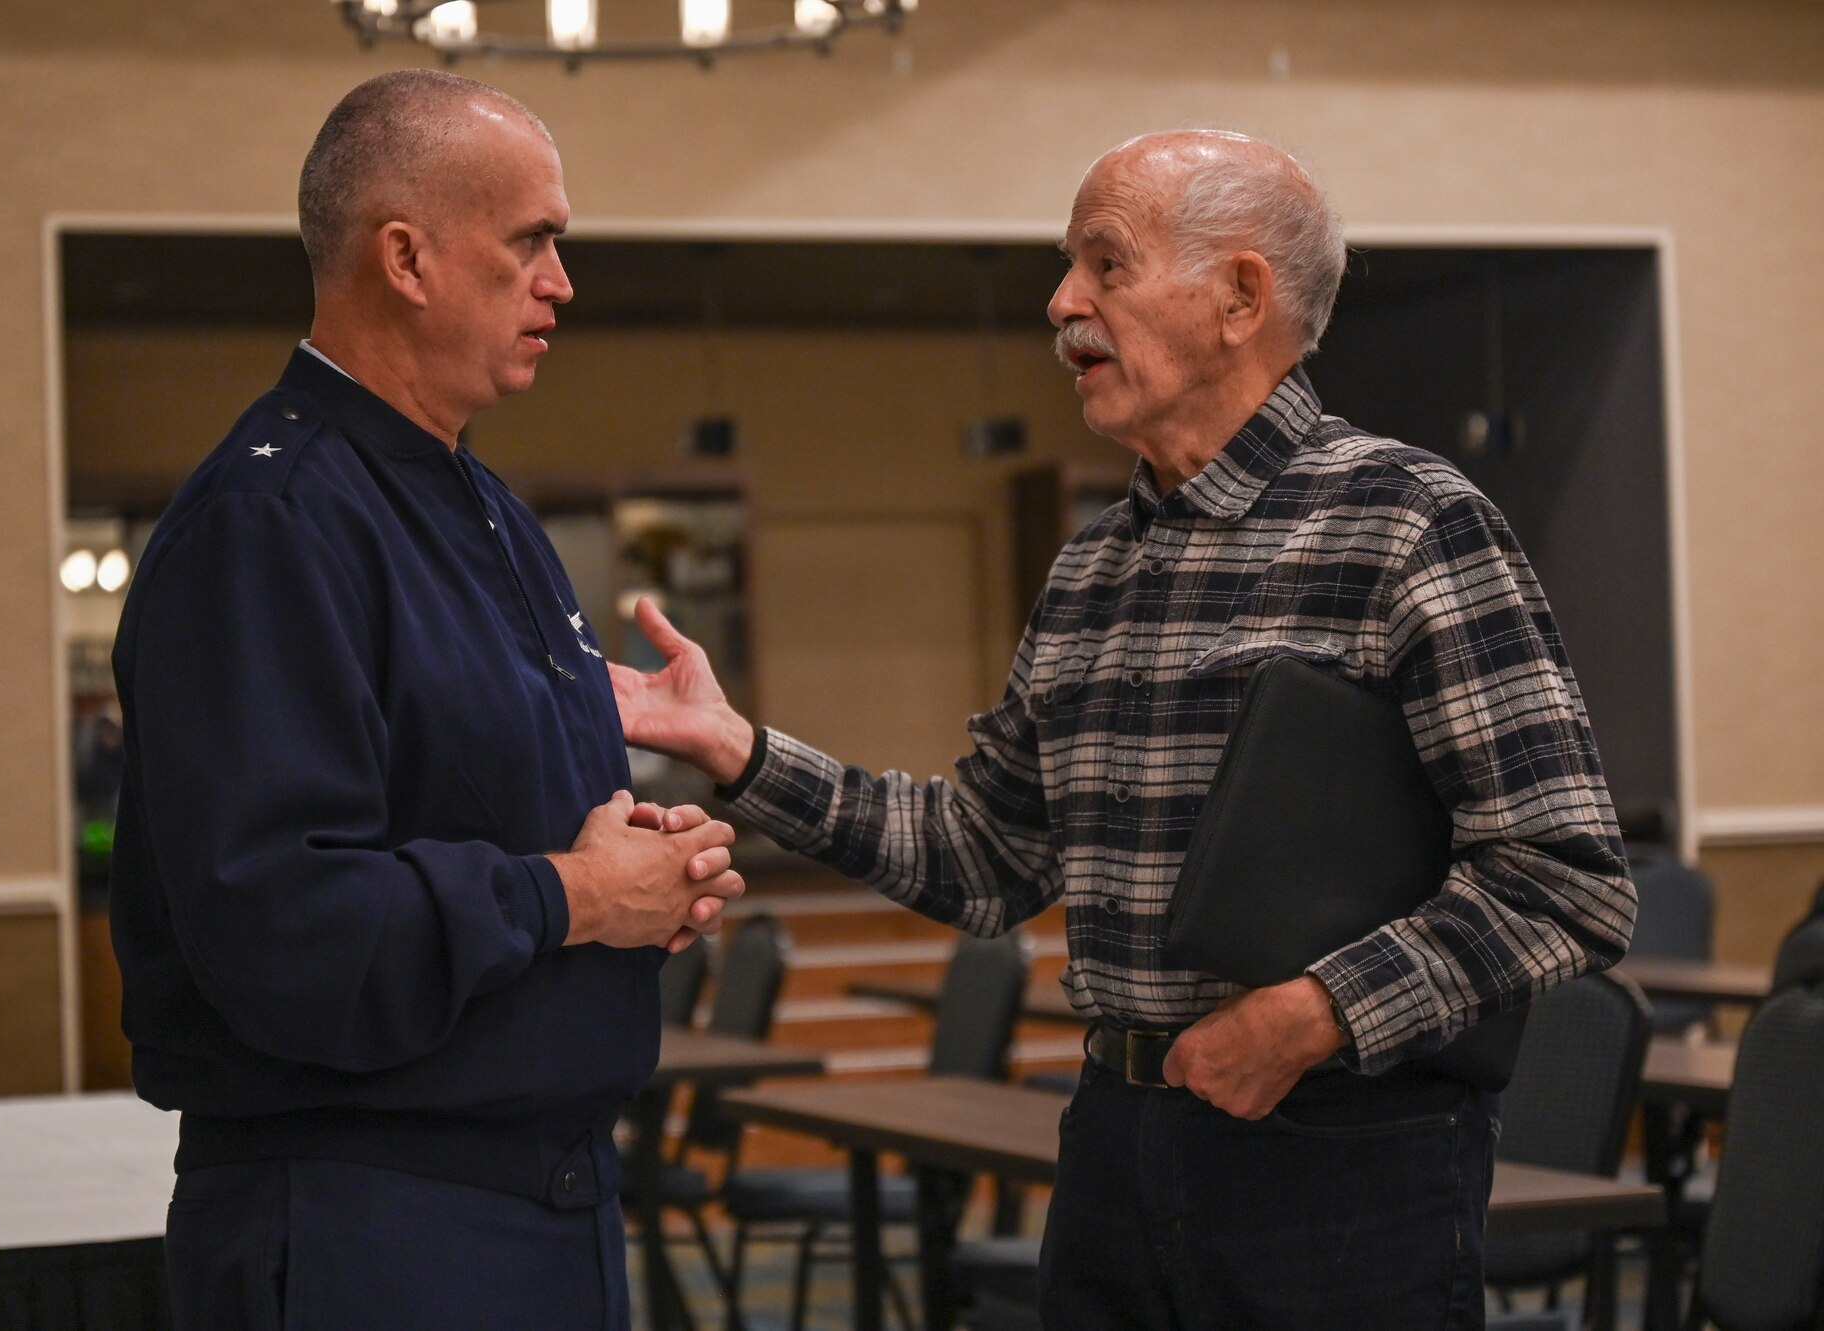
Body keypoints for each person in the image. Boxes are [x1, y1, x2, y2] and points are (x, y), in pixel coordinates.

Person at [611, 130, 1637, 1329]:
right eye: (1066, 266)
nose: (1060, 304)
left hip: (1339, 1153)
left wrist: (1312, 1013)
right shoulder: (1094, 563)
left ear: (1238, 296)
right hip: (1115, 1136)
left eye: (1104, 263)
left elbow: (1564, 879)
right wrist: (738, 749)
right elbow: (984, 856)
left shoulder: (1409, 521)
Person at [109, 71, 744, 1331]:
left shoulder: (486, 508)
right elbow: (279, 921)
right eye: (532, 243)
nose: (561, 283)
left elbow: (517, 826)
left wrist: (648, 877)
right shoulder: (272, 521)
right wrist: (572, 894)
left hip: (539, 1203)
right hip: (366, 1216)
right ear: (405, 256)